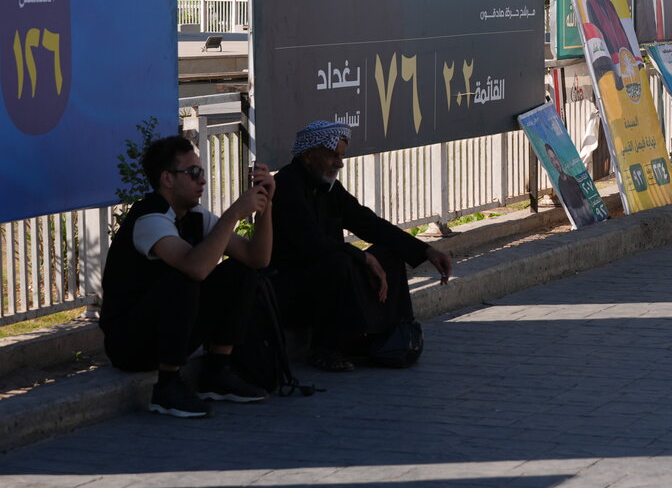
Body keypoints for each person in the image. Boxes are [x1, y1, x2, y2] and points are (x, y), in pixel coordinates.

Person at [99, 136, 276, 418]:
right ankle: (167, 388)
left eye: (201, 172)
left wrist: (265, 205)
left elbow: (257, 258)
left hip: (168, 331)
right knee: (184, 276)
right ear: (167, 179)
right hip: (130, 344)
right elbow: (196, 268)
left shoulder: (194, 215)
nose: (202, 180)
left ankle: (217, 371)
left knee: (241, 271)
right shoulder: (149, 218)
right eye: (193, 173)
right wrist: (234, 214)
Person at [271, 121, 452, 372]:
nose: (339, 164)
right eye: (333, 156)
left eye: (341, 157)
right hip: (292, 287)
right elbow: (310, 242)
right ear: (309, 155)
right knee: (339, 262)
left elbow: (368, 223)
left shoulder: (329, 187)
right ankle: (327, 349)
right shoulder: (286, 185)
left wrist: (426, 251)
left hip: (328, 275)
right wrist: (364, 258)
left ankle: (391, 335)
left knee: (389, 253)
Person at [544, 143, 597, 227]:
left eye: (555, 158)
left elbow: (585, 200)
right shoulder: (560, 184)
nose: (556, 163)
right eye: (552, 159)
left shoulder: (572, 178)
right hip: (582, 222)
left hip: (590, 219)